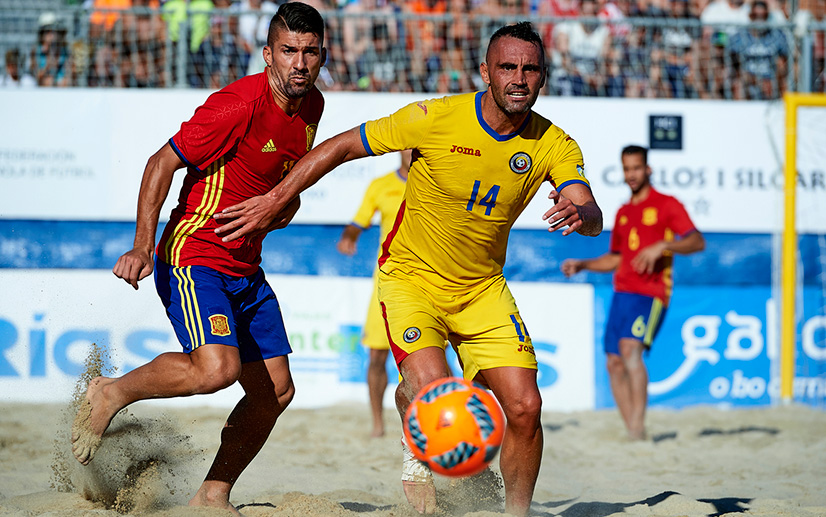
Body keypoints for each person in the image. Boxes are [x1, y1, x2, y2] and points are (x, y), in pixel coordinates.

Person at [209, 21, 603, 516]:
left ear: (543, 76)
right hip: (411, 280)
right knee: (437, 395)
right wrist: (275, 199)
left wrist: (584, 214)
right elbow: (342, 146)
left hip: (482, 289)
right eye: (508, 67)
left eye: (530, 69)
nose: (519, 79)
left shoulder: (555, 143)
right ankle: (415, 438)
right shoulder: (435, 117)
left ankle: (515, 513)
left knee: (526, 408)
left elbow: (588, 209)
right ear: (486, 72)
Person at [70, 3, 326, 513]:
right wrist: (142, 245)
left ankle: (212, 493)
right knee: (216, 370)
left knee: (276, 392)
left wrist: (283, 207)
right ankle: (112, 392)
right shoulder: (237, 104)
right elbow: (160, 162)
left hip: (244, 267)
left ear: (322, 55)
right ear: (268, 54)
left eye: (310, 52)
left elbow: (277, 184)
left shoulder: (312, 105)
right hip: (195, 253)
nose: (299, 63)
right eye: (288, 51)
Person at [561, 145, 705, 441]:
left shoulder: (667, 204)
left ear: (648, 169)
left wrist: (663, 246)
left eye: (637, 168)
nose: (631, 174)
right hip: (622, 293)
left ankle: (638, 428)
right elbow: (617, 259)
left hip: (651, 293)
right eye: (627, 168)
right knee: (613, 362)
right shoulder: (624, 212)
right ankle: (633, 433)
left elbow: (697, 241)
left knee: (629, 350)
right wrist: (584, 264)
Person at [336, 149, 410, 438]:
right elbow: (358, 222)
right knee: (377, 356)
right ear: (399, 149)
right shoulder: (381, 185)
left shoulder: (435, 183)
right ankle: (378, 424)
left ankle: (434, 424)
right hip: (387, 282)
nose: (412, 151)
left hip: (427, 281)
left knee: (430, 359)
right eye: (407, 146)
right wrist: (348, 237)